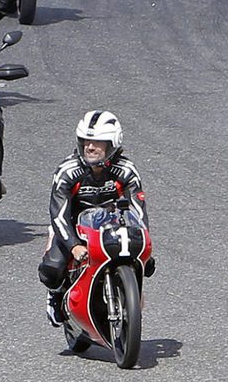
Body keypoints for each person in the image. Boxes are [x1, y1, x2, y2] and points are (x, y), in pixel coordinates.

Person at [38, 110, 156, 327]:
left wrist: (146, 247)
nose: (89, 147)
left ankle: (127, 298)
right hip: (73, 226)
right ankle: (55, 296)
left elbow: (139, 212)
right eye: (85, 141)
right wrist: (73, 246)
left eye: (97, 142)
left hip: (112, 225)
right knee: (52, 268)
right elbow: (58, 213)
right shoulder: (67, 171)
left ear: (112, 144)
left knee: (146, 263)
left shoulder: (127, 171)